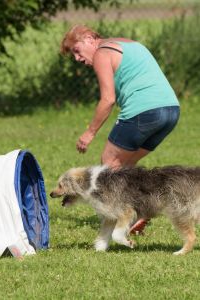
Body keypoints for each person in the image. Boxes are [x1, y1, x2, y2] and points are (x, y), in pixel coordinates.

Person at [60, 25, 180, 234]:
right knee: (126, 166)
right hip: (170, 111)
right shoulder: (127, 43)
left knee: (109, 165)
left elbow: (108, 100)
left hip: (144, 111)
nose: (77, 58)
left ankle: (121, 222)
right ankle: (139, 211)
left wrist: (89, 133)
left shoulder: (101, 53)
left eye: (77, 50)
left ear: (89, 38)